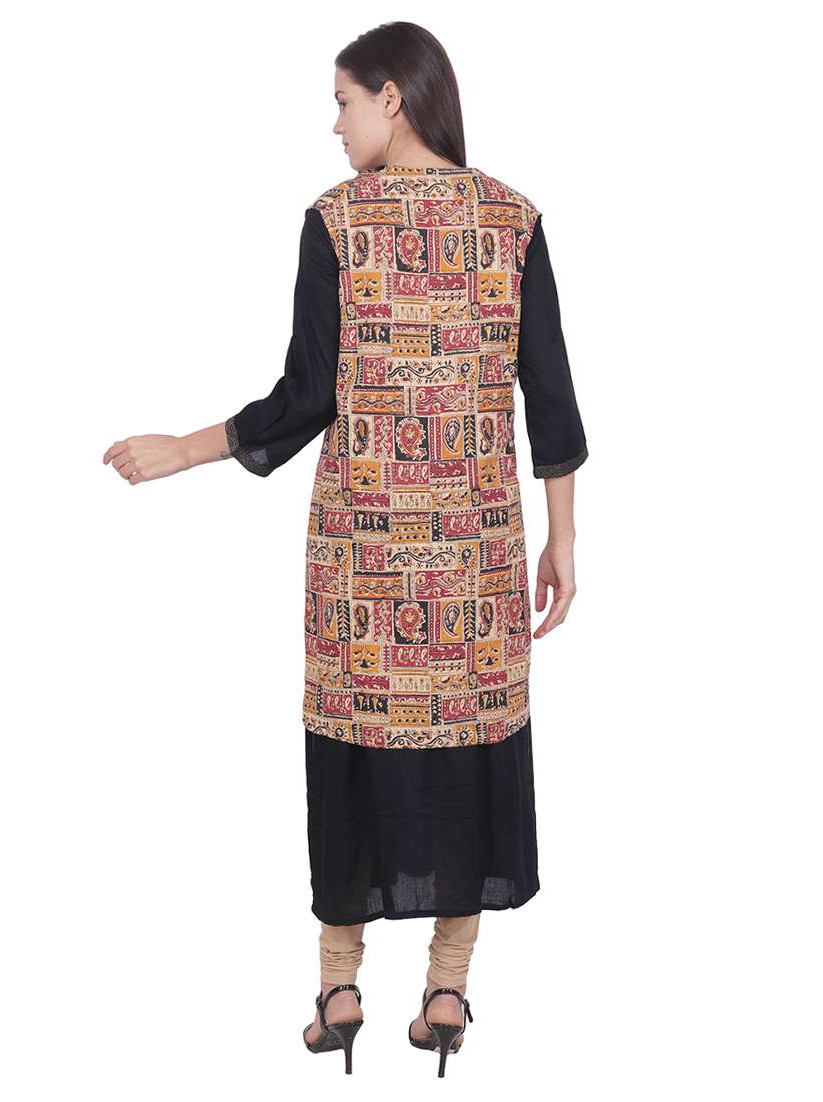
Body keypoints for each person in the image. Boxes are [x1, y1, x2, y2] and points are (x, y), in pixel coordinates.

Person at [102, 21, 588, 1079]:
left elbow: (303, 397)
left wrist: (183, 448)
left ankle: (339, 986)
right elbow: (550, 395)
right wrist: (562, 537)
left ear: (392, 98)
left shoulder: (336, 223)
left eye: (342, 101)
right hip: (473, 562)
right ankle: (447, 987)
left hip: (361, 562)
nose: (334, 125)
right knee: (467, 751)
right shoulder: (512, 220)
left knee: (352, 757)